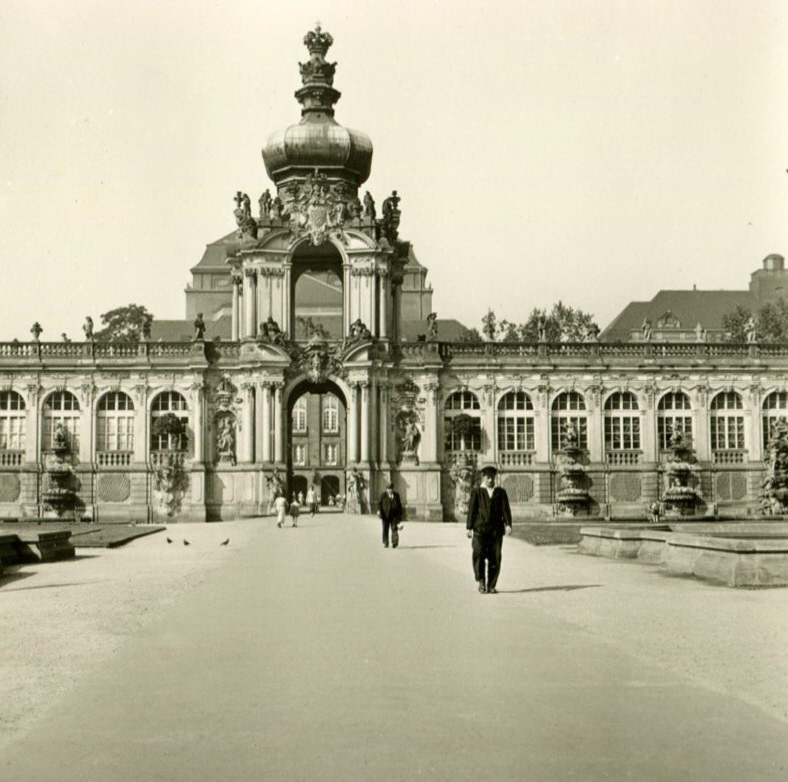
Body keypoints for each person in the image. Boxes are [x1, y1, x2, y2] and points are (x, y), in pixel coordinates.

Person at [466, 464, 512, 594]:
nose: (490, 480)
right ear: (483, 478)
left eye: (492, 477)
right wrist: (469, 527)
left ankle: (491, 585)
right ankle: (481, 581)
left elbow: (505, 509)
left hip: (496, 531)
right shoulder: (477, 492)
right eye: (488, 477)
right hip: (480, 530)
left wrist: (508, 524)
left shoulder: (500, 493)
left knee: (495, 557)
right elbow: (472, 511)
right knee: (478, 554)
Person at [378, 481, 403, 549]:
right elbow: (379, 504)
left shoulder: (396, 495)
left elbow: (399, 505)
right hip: (385, 515)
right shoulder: (383, 495)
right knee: (385, 529)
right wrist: (379, 511)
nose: (390, 490)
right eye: (389, 489)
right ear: (386, 489)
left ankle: (394, 542)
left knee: (394, 528)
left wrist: (400, 516)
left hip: (394, 515)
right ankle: (386, 542)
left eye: (391, 489)